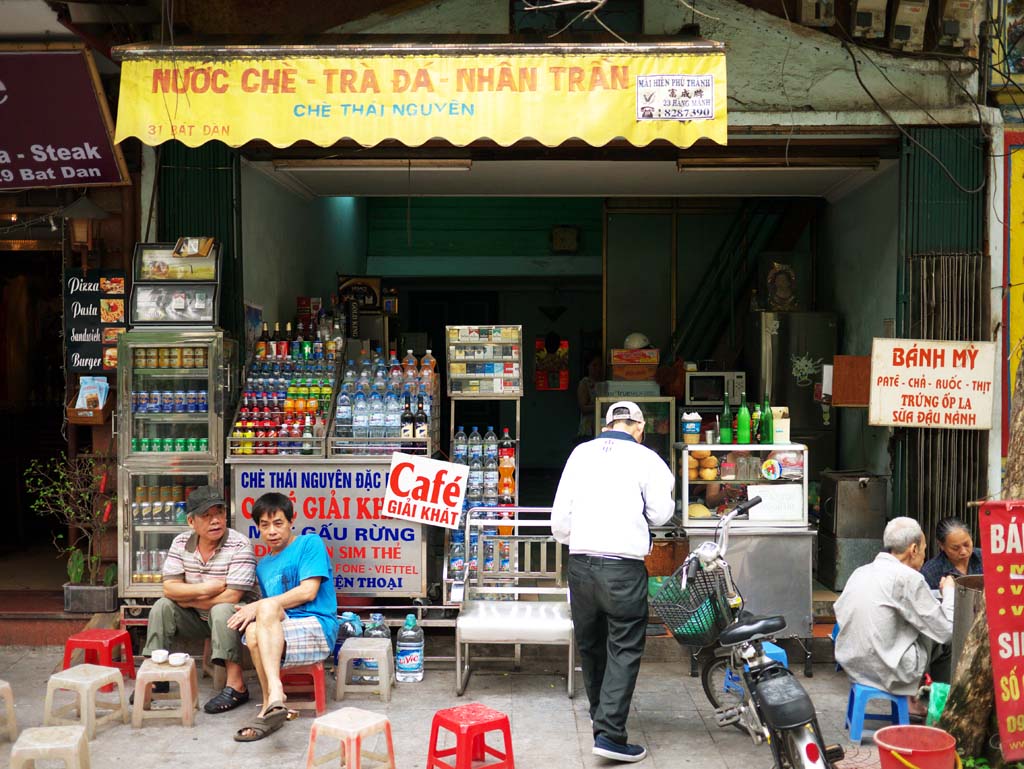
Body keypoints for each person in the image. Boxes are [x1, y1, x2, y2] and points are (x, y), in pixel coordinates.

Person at [552, 400, 675, 763]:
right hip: (622, 569)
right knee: (623, 645)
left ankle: (600, 715)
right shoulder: (647, 459)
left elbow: (559, 522)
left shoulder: (579, 454)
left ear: (607, 425)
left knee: (591, 644)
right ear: (639, 427)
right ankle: (609, 735)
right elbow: (661, 513)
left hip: (581, 565)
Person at [228, 492, 339, 742]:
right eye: (264, 525)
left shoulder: (309, 543)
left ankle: (271, 695)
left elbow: (309, 591)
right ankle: (274, 705)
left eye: (278, 523)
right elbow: (274, 613)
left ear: (291, 521)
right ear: (257, 528)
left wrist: (256, 607)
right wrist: (254, 610)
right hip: (284, 630)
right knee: (254, 630)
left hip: (317, 626)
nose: (272, 531)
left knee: (264, 608)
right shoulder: (263, 566)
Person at [141, 485, 257, 714]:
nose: (216, 521)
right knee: (162, 607)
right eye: (207, 515)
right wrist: (207, 588)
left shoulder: (240, 544)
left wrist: (188, 598)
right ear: (191, 522)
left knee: (223, 609)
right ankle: (156, 678)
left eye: (220, 513)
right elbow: (170, 589)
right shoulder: (181, 542)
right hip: (195, 619)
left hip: (234, 618)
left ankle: (236, 686)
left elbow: (232, 595)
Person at [834, 517, 956, 704]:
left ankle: (913, 699)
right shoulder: (908, 578)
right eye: (924, 549)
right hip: (890, 670)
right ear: (913, 549)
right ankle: (939, 703)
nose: (924, 555)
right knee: (943, 641)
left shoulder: (861, 572)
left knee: (912, 623)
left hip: (853, 664)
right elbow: (947, 631)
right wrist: (949, 592)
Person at [920, 517, 983, 590]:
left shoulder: (985, 557)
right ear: (941, 546)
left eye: (966, 544)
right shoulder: (930, 572)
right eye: (955, 548)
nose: (963, 552)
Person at [576, 352, 603, 441]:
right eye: (594, 365)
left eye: (599, 365)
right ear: (588, 366)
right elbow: (583, 408)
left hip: (601, 426)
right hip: (588, 429)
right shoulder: (585, 383)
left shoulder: (604, 384)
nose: (597, 369)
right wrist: (601, 406)